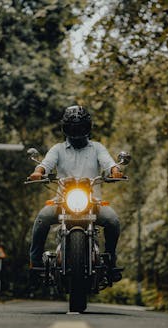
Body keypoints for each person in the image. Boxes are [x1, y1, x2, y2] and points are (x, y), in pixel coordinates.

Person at [27, 105, 123, 274]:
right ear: (66, 128)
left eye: (80, 127)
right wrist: (38, 172)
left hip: (94, 203)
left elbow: (108, 162)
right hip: (62, 202)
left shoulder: (97, 148)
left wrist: (115, 171)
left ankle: (110, 260)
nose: (77, 131)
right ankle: (35, 263)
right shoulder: (57, 149)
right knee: (41, 219)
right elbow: (46, 164)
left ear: (88, 127)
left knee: (113, 220)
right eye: (72, 127)